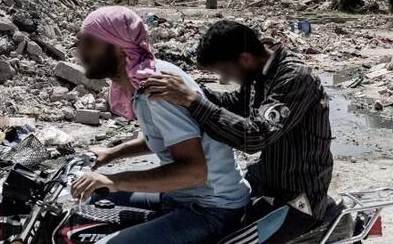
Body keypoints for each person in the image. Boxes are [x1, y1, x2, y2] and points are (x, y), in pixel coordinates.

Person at [143, 20, 333, 243]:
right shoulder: (259, 73)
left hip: (296, 198)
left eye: (225, 71)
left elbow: (256, 136)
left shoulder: (295, 78)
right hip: (265, 184)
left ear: (245, 58)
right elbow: (237, 103)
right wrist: (194, 91)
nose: (224, 79)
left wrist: (193, 101)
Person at [71, 6, 248, 244]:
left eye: (90, 43)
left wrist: (114, 180)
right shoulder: (142, 81)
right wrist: (112, 153)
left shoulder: (157, 88)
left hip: (211, 207)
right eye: (80, 43)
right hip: (181, 197)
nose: (81, 52)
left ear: (119, 47)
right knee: (89, 202)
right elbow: (167, 138)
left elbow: (194, 171)